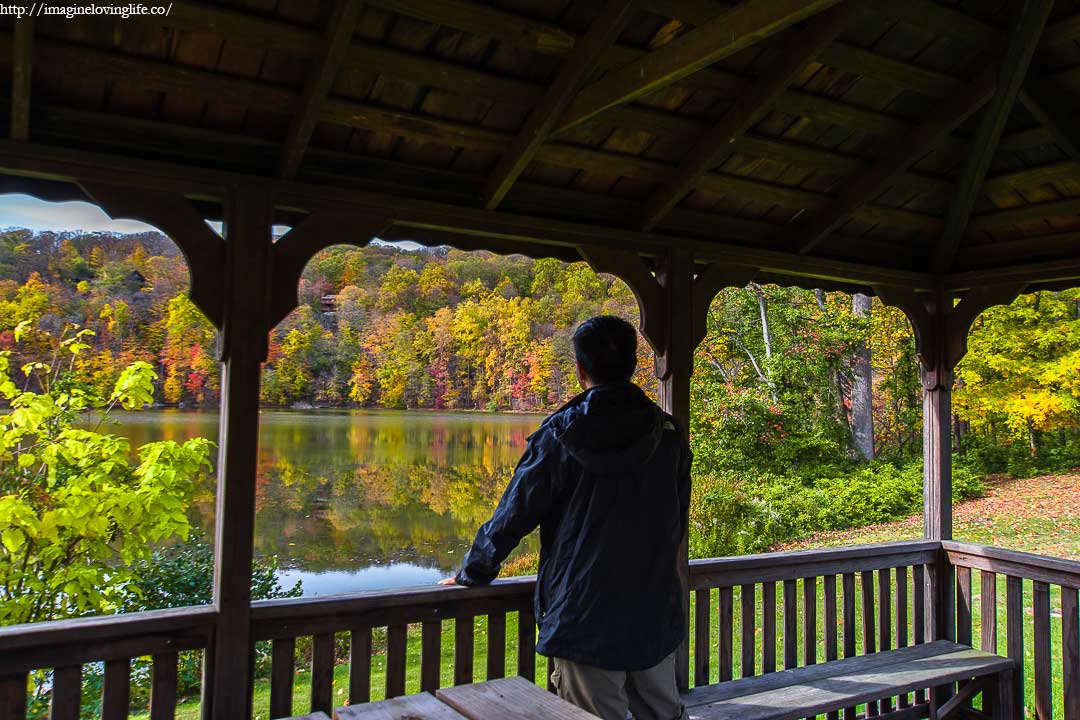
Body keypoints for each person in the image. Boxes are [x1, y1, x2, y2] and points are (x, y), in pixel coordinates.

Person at [440, 315, 691, 720]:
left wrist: (474, 572)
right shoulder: (667, 434)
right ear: (631, 364)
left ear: (580, 369)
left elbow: (513, 516)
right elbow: (676, 521)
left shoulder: (560, 435)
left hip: (582, 620)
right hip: (653, 614)